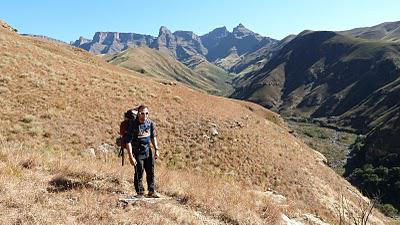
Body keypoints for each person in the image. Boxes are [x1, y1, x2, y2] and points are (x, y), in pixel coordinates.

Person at [125, 105, 160, 198]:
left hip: (148, 150)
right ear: (138, 114)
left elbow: (153, 137)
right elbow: (128, 142)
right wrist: (130, 157)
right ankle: (140, 192)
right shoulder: (133, 125)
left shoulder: (149, 123)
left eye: (147, 113)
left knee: (151, 171)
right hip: (137, 151)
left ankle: (151, 191)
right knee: (139, 172)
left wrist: (156, 149)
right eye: (142, 113)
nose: (145, 115)